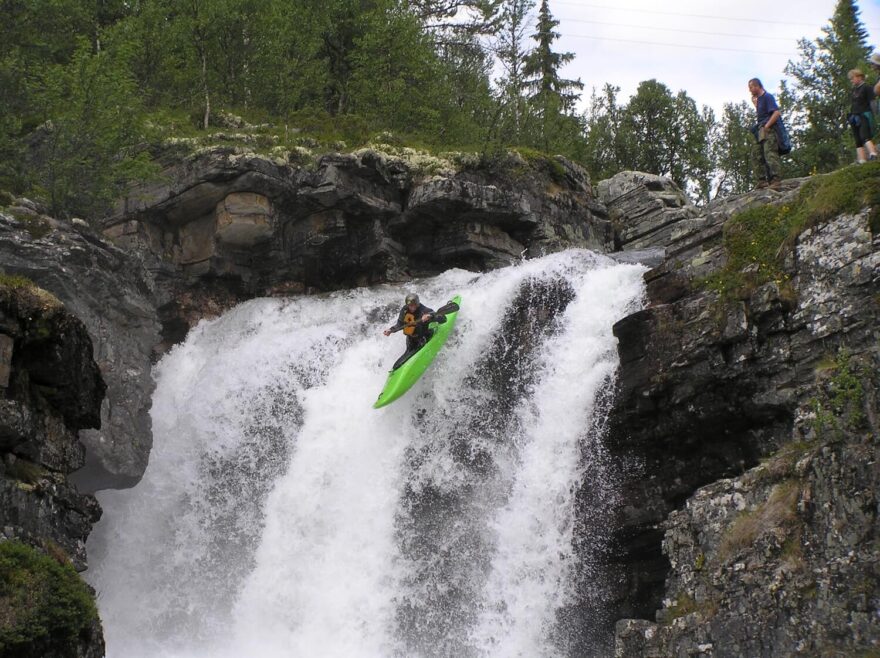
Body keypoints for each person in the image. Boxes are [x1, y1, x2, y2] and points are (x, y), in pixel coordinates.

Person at [383, 293, 446, 369]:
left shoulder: (424, 310)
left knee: (409, 357)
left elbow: (443, 319)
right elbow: (399, 324)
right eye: (410, 305)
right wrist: (390, 330)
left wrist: (430, 316)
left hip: (422, 338)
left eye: (414, 305)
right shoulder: (405, 310)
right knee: (403, 359)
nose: (412, 307)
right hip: (410, 340)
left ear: (418, 304)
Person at [748, 78, 783, 190]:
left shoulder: (768, 97)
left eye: (751, 87)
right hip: (760, 130)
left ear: (757, 86)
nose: (750, 90)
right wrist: (756, 105)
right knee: (756, 154)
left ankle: (775, 180)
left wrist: (767, 126)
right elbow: (762, 115)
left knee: (770, 154)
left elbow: (776, 113)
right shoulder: (759, 100)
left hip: (768, 130)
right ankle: (762, 181)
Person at [848, 68, 878, 163]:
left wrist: (875, 115)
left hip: (864, 114)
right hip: (854, 116)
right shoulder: (854, 90)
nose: (851, 80)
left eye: (852, 78)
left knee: (864, 136)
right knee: (858, 140)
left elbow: (872, 102)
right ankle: (861, 160)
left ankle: (873, 154)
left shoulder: (867, 88)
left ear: (859, 77)